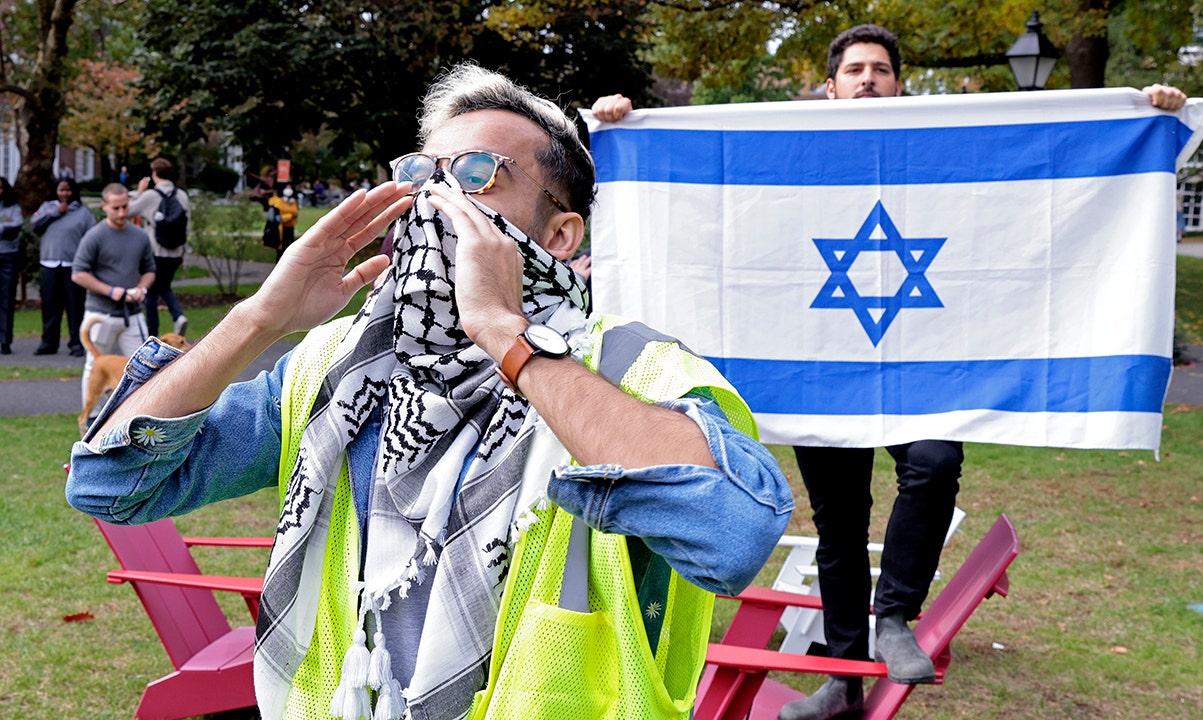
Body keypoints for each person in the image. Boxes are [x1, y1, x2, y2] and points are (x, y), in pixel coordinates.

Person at [66, 64, 792, 720]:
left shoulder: (637, 370)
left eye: (478, 174)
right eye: (422, 172)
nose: (435, 199)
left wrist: (506, 334)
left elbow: (732, 535)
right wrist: (261, 319)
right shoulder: (340, 366)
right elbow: (110, 483)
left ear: (562, 234)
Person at [592, 24, 1189, 720]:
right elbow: (722, 214)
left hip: (923, 363)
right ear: (830, 86)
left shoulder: (933, 145)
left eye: (880, 68)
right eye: (855, 69)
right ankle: (843, 683)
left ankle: (895, 616)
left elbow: (1025, 177)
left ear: (900, 85)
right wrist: (621, 127)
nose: (868, 78)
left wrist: (1147, 115)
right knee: (840, 526)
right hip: (821, 364)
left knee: (934, 462)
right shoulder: (792, 156)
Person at [71, 182, 155, 413]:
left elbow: (150, 270)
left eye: (125, 207)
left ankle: (140, 415)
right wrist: (110, 290)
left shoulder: (139, 236)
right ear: (104, 206)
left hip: (133, 315)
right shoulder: (95, 236)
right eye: (116, 208)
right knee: (94, 365)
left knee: (142, 366)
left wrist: (142, 288)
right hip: (101, 313)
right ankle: (93, 419)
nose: (122, 213)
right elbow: (78, 274)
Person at [32, 178, 96, 357]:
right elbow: (34, 226)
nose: (64, 193)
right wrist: (55, 212)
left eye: (68, 190)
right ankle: (48, 343)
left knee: (75, 307)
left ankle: (77, 344)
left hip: (73, 267)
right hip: (49, 264)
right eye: (61, 190)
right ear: (55, 191)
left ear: (73, 191)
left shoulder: (83, 212)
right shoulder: (47, 207)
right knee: (50, 307)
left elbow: (91, 238)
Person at [131, 158, 192, 337]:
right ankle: (178, 316)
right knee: (164, 287)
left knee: (151, 292)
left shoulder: (150, 196)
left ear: (154, 174)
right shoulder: (182, 195)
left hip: (154, 251)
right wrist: (184, 250)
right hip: (175, 252)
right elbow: (187, 224)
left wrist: (139, 192)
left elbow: (128, 210)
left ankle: (152, 334)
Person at [0, 177, 23, 355]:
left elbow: (14, 229)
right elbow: (6, 229)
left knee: (6, 301)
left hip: (8, 258)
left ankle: (5, 341)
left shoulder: (13, 208)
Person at [266, 183, 300, 259]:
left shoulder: (294, 202)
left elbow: (296, 213)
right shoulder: (278, 202)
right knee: (281, 249)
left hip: (290, 228)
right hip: (281, 229)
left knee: (289, 247)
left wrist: (291, 215)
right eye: (287, 187)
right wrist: (290, 216)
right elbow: (277, 218)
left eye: (290, 188)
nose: (288, 190)